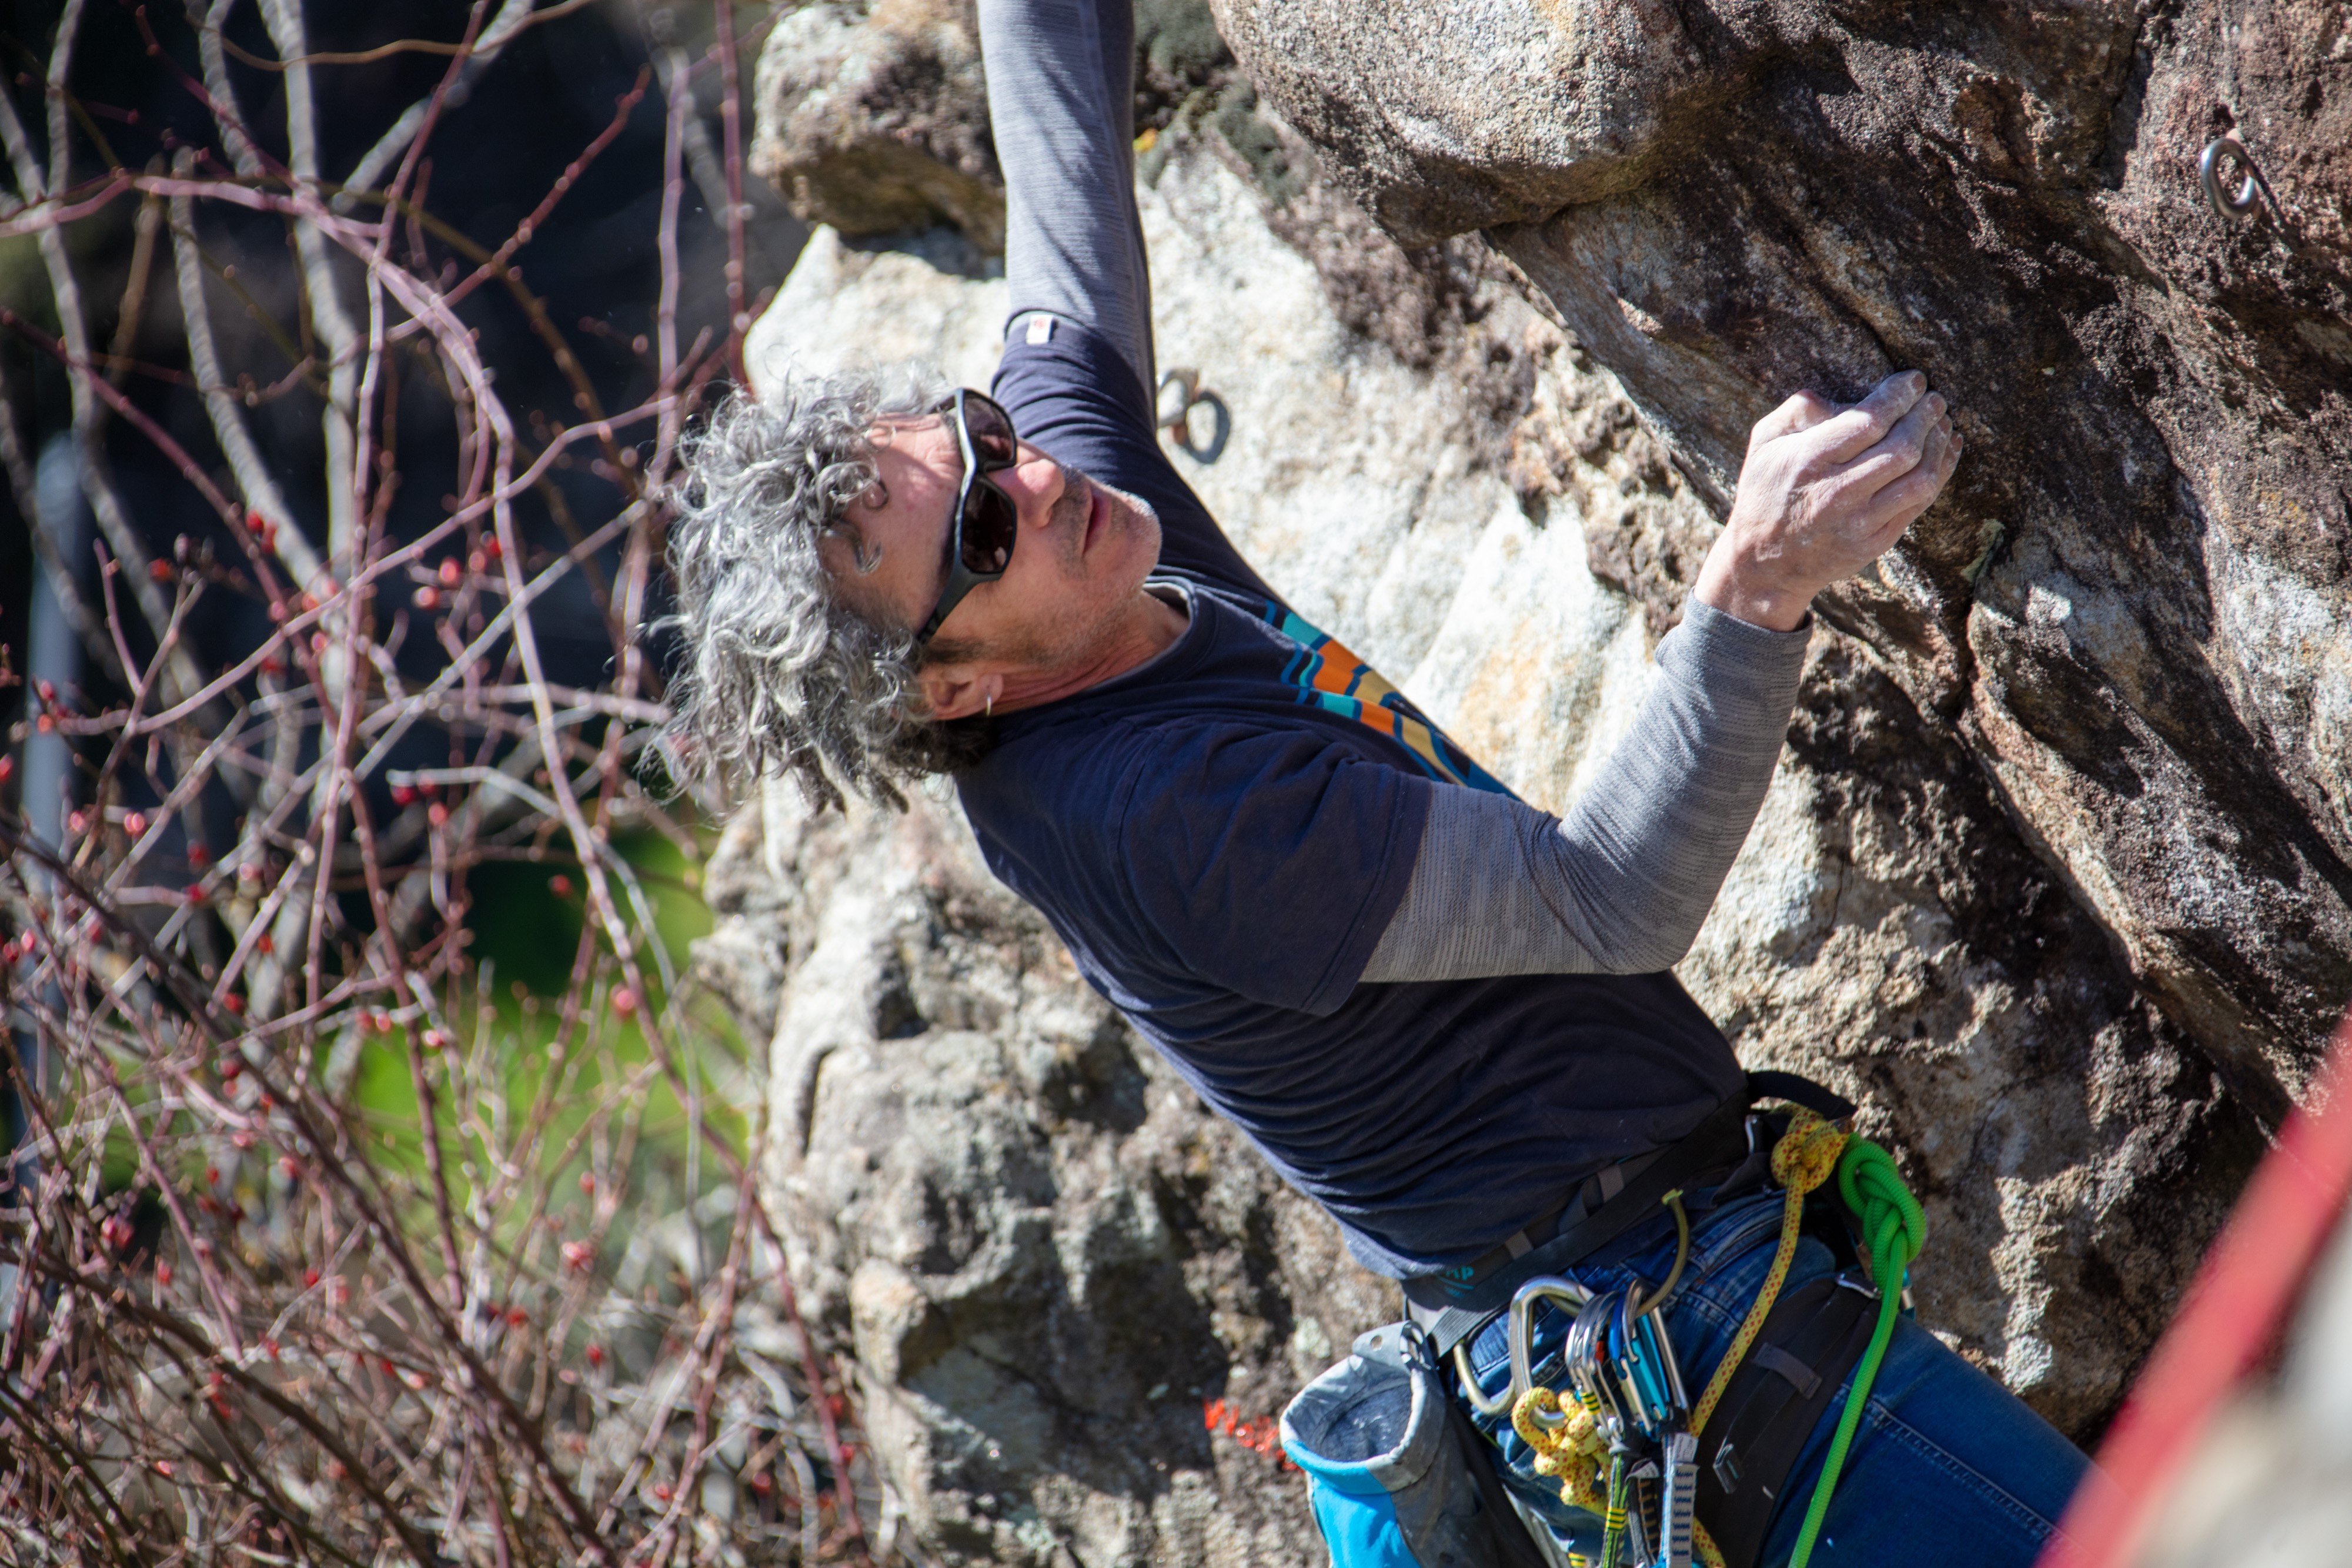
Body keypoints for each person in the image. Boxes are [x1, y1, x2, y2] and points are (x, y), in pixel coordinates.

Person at [662, 1, 2090, 1562]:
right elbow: (1611, 895)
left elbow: (1064, 206)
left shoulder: (1071, 533)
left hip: (1691, 1277)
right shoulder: (1160, 811)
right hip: (1677, 1340)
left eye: (981, 435)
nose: (1039, 479)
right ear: (957, 687)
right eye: (983, 532)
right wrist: (1753, 590)